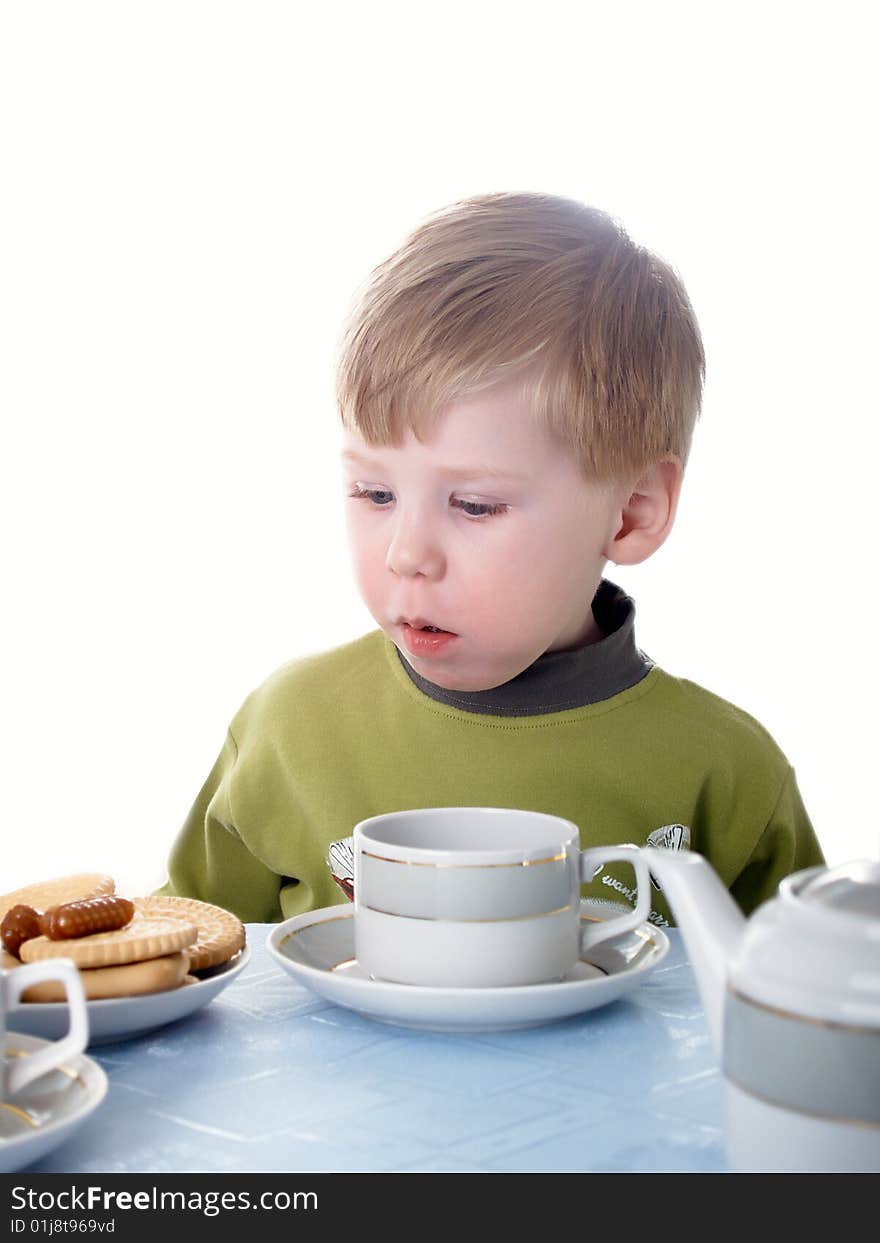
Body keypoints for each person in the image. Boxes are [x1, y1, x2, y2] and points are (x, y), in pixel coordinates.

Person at [158, 192, 824, 927]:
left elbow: (811, 1006)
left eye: (474, 506)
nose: (407, 554)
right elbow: (181, 962)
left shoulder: (726, 774)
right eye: (374, 491)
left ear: (633, 509)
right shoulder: (287, 730)